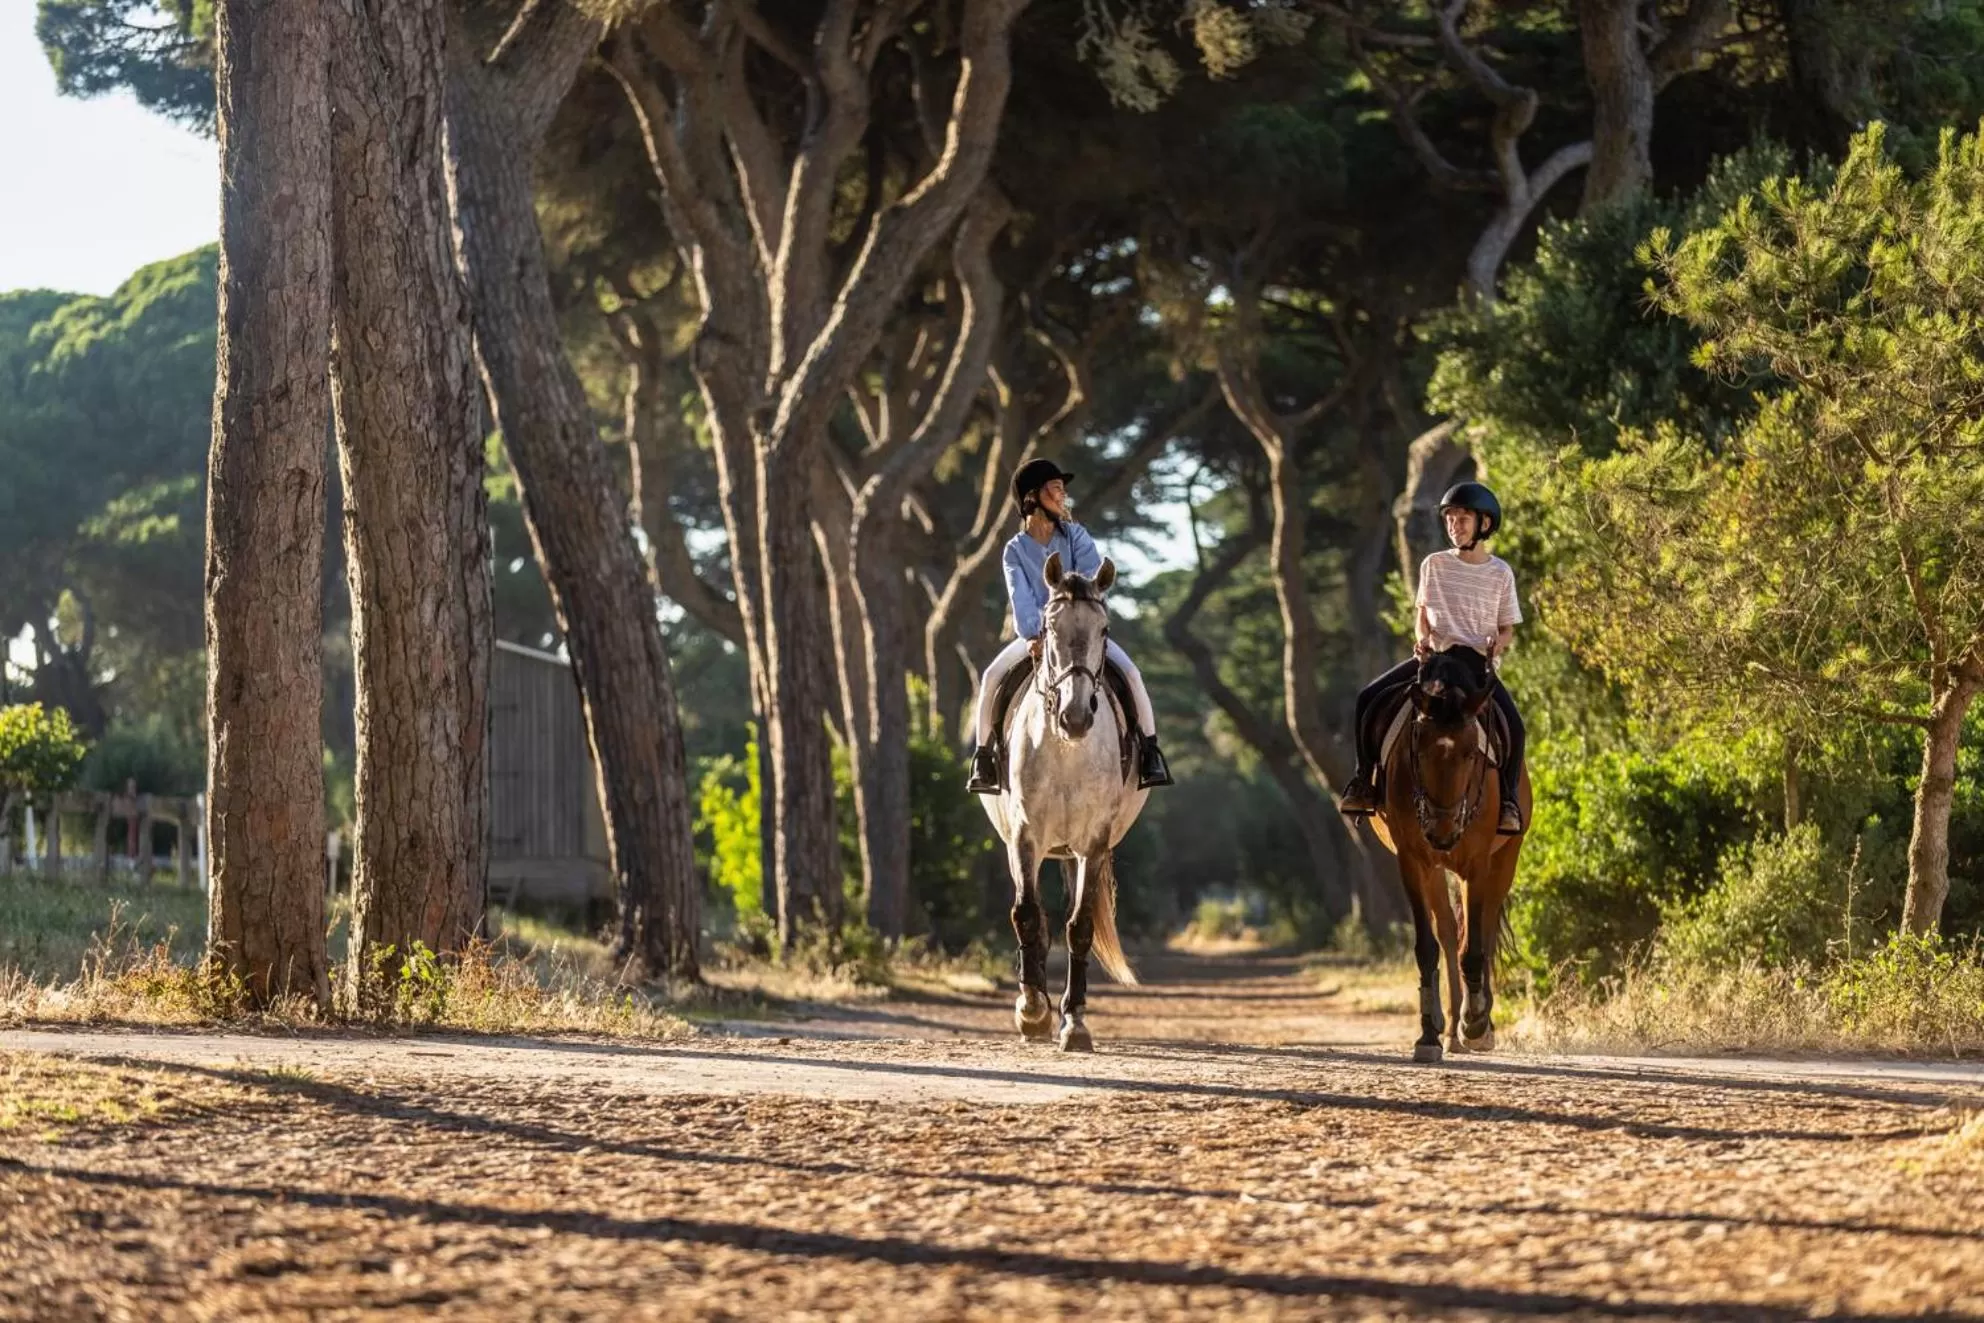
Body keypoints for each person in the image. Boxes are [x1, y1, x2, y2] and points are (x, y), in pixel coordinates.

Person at [966, 458, 1174, 795]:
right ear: (1033, 497)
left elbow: (1093, 577)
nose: (1063, 496)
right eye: (1056, 489)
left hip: (1084, 634)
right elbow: (1020, 597)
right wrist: (1035, 634)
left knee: (1132, 674)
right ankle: (984, 758)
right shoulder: (1014, 550)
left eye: (1063, 490)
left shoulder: (1076, 535)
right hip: (1041, 634)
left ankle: (1150, 752)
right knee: (991, 676)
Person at [1339, 481, 1527, 834]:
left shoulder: (1500, 573)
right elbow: (1422, 614)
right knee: (1367, 698)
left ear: (1484, 524)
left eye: (1463, 518)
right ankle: (1364, 782)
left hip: (1475, 665)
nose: (1455, 525)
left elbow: (1507, 631)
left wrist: (1495, 645)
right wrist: (1421, 637)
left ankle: (1509, 802)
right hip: (1436, 660)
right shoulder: (1433, 565)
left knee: (1516, 727)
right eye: (1450, 519)